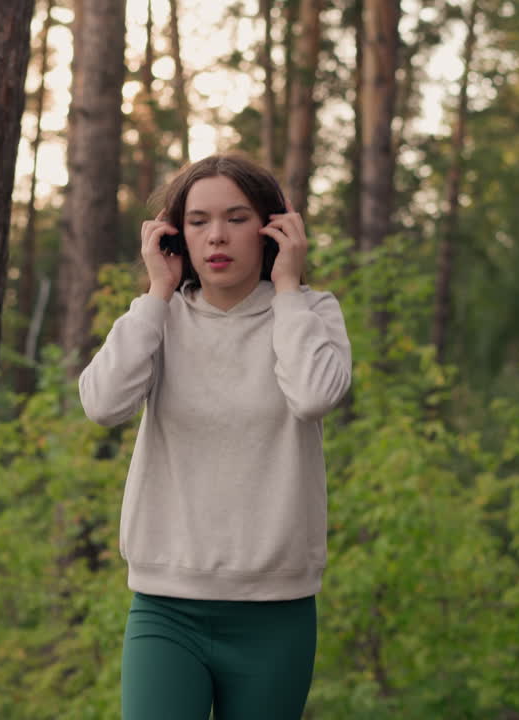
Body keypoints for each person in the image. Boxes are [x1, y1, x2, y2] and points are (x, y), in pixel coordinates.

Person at [78, 153, 352, 720]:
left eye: (237, 217)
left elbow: (315, 395)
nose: (218, 236)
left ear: (273, 229)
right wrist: (156, 294)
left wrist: (289, 289)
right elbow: (103, 405)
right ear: (177, 234)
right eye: (199, 221)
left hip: (277, 610)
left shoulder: (312, 313)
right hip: (165, 606)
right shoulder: (159, 318)